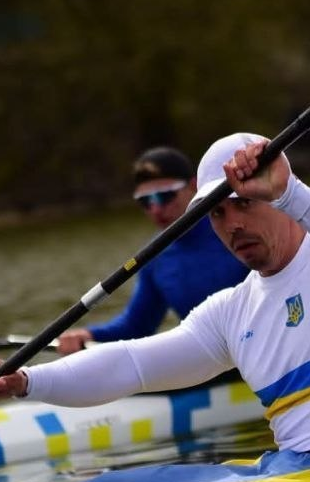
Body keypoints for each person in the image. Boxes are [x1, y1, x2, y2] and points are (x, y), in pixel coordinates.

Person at [0, 131, 310, 482]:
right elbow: (131, 364)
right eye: (218, 214)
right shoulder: (232, 310)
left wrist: (292, 193)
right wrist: (26, 383)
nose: (233, 224)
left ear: (276, 195)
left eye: (244, 203)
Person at [53, 146, 249, 355]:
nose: (155, 209)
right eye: (146, 201)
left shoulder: (238, 229)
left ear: (194, 186)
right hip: (213, 365)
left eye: (164, 196)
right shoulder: (155, 257)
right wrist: (88, 336)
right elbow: (137, 326)